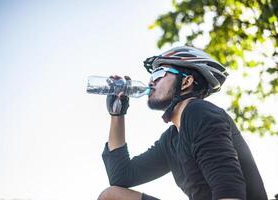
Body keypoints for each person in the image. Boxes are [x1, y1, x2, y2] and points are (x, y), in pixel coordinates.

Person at [97, 46, 268, 200]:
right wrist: (117, 114)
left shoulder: (199, 113)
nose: (151, 81)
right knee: (111, 196)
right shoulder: (172, 139)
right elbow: (122, 177)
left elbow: (229, 191)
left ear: (186, 82)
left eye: (159, 74)